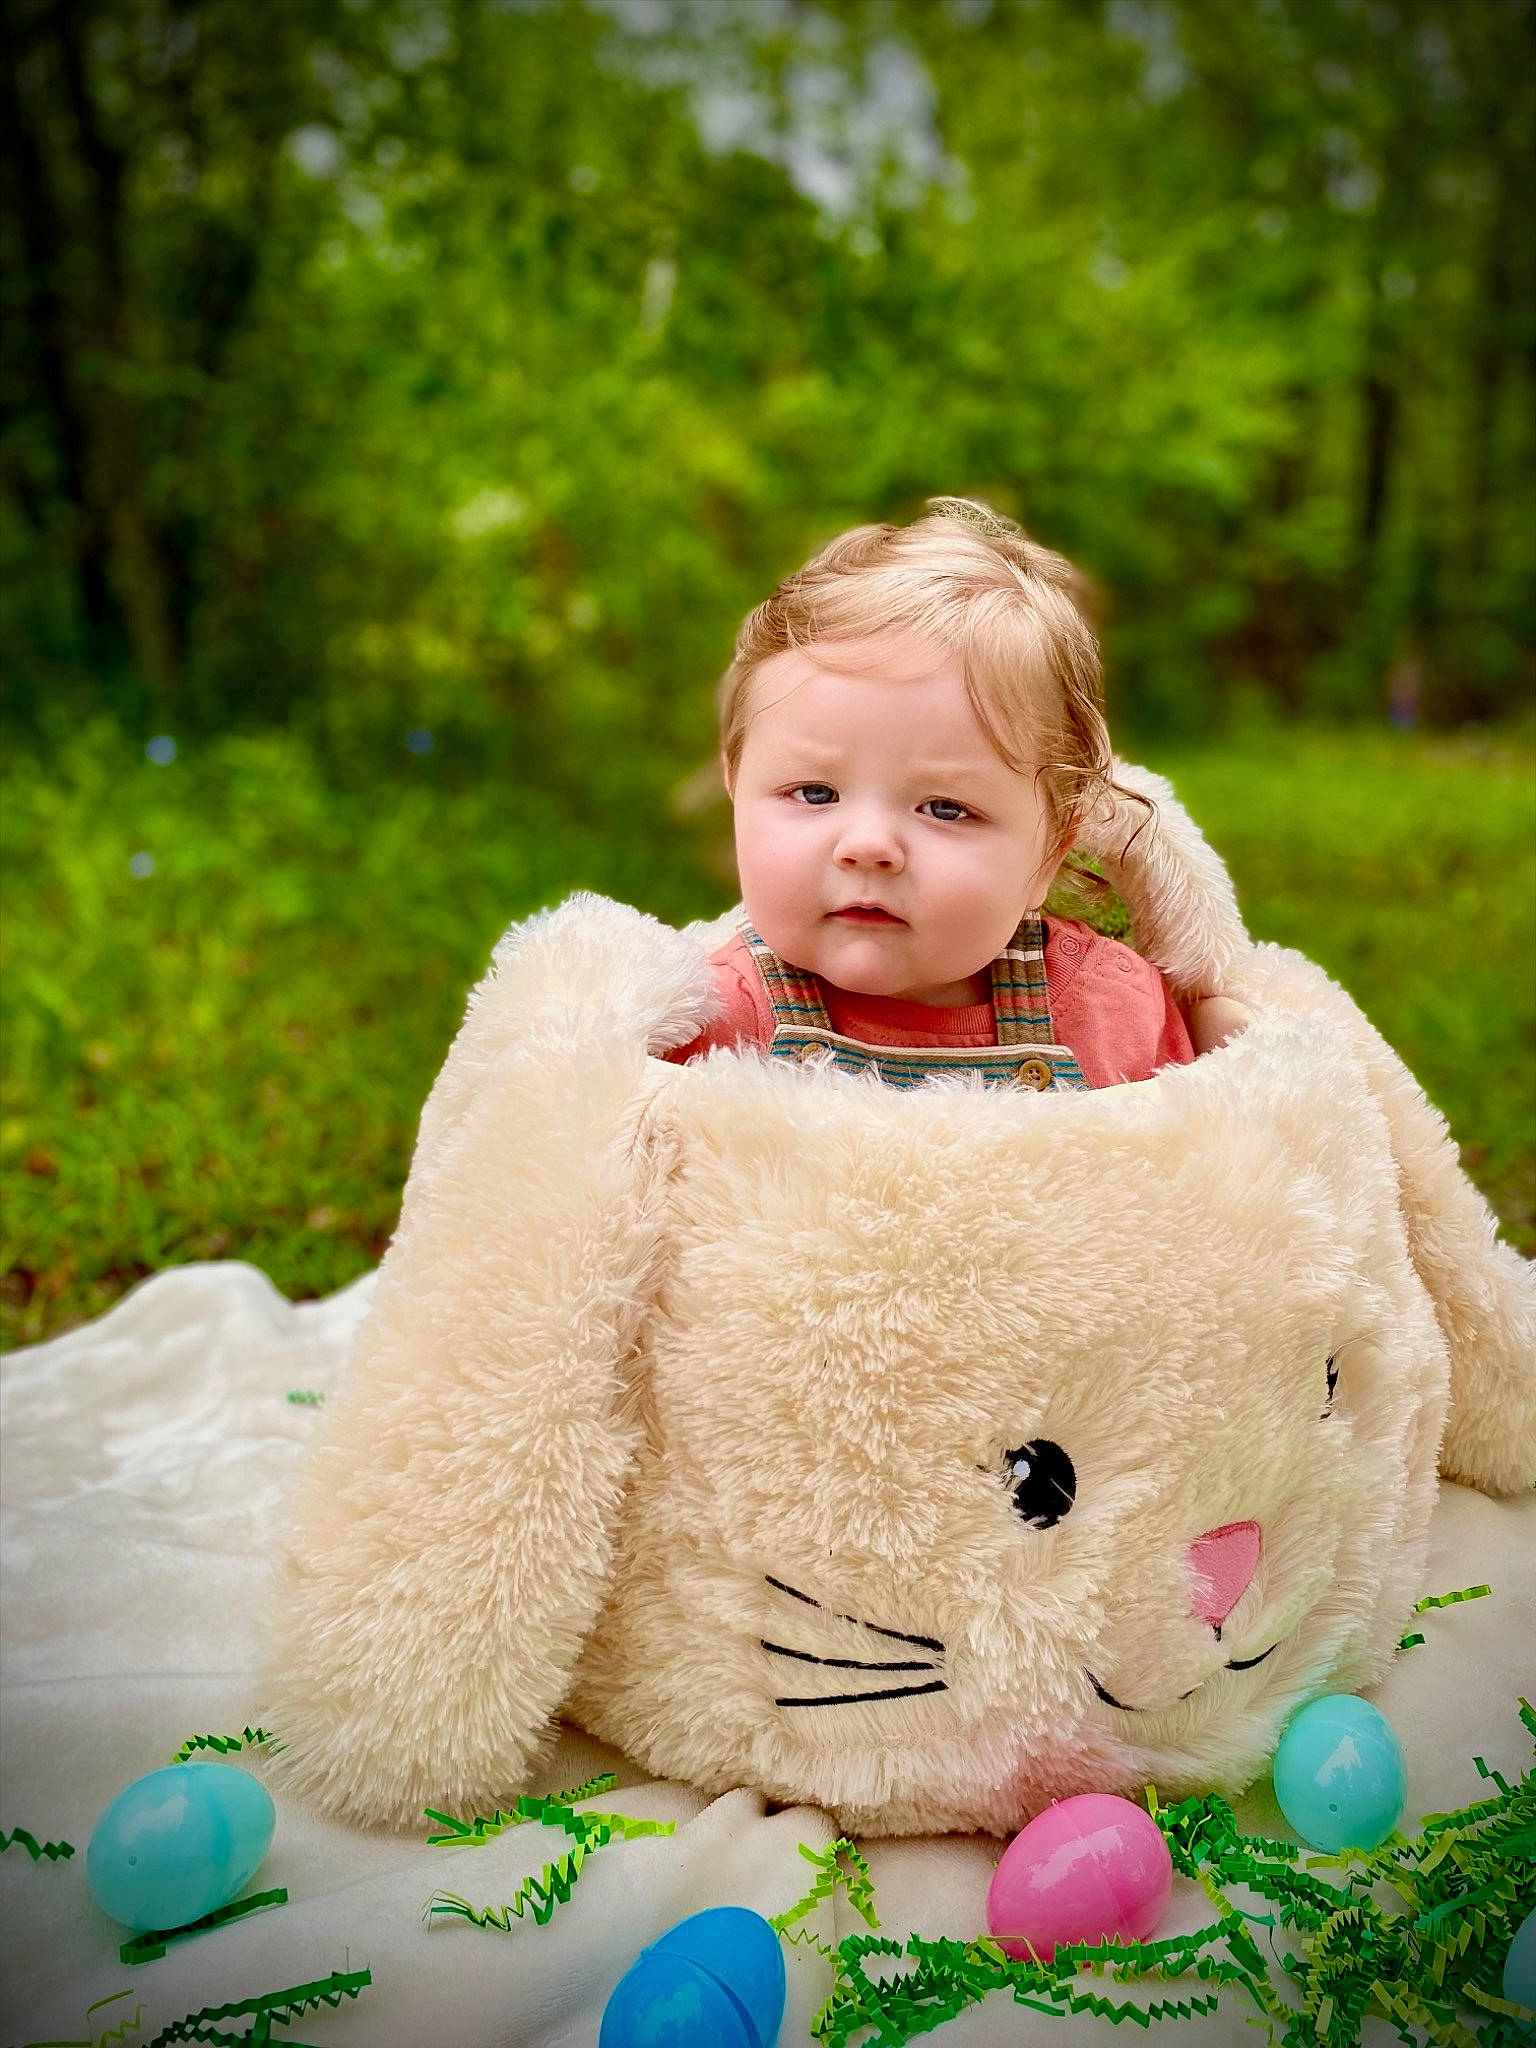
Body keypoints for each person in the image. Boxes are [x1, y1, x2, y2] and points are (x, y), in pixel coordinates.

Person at [663, 498, 1248, 1091]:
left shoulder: (1116, 1013)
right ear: (738, 793)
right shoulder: (701, 1026)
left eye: (945, 809)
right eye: (814, 793)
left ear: (1049, 854)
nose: (867, 846)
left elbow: (1193, 1170)